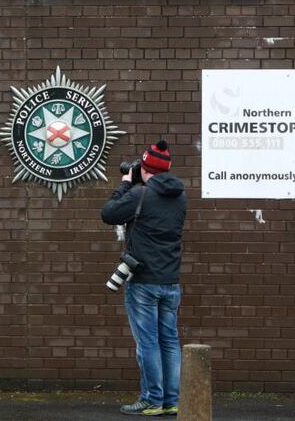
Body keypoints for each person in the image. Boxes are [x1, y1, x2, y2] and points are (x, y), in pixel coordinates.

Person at [101, 140, 187, 416]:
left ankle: (152, 399)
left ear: (146, 169)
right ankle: (171, 400)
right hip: (170, 281)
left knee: (148, 341)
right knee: (170, 341)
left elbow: (109, 213)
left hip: (144, 282)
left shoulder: (139, 194)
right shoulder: (180, 196)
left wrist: (126, 181)